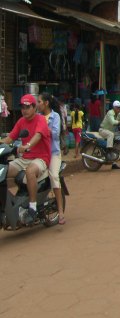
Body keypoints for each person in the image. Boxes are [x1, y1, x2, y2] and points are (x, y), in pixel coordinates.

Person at [0, 94, 51, 226]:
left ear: (34, 107)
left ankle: (32, 207)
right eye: (22, 107)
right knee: (4, 170)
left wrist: (27, 146)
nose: (24, 110)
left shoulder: (40, 120)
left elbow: (38, 135)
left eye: (27, 107)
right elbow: (10, 138)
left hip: (40, 158)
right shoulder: (21, 121)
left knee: (30, 172)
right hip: (24, 158)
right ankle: (6, 207)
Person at [37, 93, 65, 225]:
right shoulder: (37, 117)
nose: (37, 104)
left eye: (39, 102)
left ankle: (60, 212)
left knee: (54, 176)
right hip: (39, 153)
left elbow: (55, 134)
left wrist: (43, 128)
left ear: (46, 103)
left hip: (53, 153)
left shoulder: (55, 116)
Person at [98, 100, 120, 170]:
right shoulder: (110, 113)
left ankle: (114, 162)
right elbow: (113, 122)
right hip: (103, 130)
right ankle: (109, 151)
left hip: (111, 131)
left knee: (119, 137)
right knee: (111, 135)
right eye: (118, 107)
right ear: (114, 107)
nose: (119, 109)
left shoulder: (119, 114)